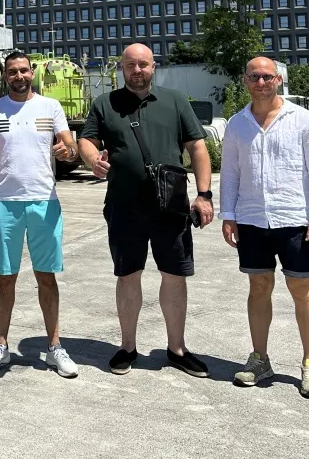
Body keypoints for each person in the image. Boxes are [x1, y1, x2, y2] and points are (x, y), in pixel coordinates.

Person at [77, 43, 214, 378]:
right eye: (130, 65)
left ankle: (177, 349)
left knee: (175, 276)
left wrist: (204, 194)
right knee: (128, 275)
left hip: (171, 206)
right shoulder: (105, 103)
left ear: (154, 67)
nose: (136, 70)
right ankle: (127, 347)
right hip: (124, 206)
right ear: (121, 68)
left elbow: (197, 146)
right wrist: (92, 159)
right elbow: (87, 140)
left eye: (143, 64)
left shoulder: (175, 101)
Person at [219, 56, 309, 399]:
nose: (261, 82)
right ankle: (260, 359)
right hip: (252, 219)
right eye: (254, 76)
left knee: (302, 288)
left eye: (267, 76)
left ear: (278, 80)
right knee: (258, 286)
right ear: (245, 81)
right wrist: (228, 214)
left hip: (294, 219)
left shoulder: (304, 121)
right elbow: (231, 173)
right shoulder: (237, 124)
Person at [0, 51, 80, 378]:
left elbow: (70, 147)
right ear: (5, 76)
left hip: (44, 201)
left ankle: (55, 347)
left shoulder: (51, 107)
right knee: (6, 277)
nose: (18, 76)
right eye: (12, 72)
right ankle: (1, 345)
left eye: (23, 70)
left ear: (31, 72)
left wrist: (67, 151)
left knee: (46, 276)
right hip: (4, 202)